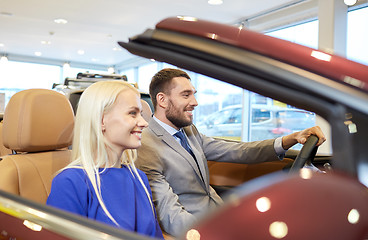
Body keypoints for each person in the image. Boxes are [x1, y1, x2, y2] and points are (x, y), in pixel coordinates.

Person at [135, 68, 326, 237]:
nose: (195, 102)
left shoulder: (189, 131)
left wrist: (290, 139)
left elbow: (237, 151)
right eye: (186, 95)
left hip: (218, 213)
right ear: (162, 100)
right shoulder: (146, 146)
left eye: (194, 94)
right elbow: (171, 215)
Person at [47, 81, 164, 239]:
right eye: (132, 113)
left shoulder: (139, 177)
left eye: (141, 114)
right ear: (101, 120)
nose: (144, 123)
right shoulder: (70, 182)